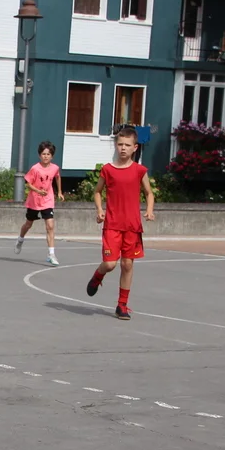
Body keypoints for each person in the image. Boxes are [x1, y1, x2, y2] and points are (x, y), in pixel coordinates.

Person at [85, 127, 155, 320]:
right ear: (116, 145)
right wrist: (99, 209)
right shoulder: (108, 170)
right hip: (112, 225)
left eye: (127, 145)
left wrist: (149, 210)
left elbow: (149, 193)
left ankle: (122, 305)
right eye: (120, 144)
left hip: (132, 226)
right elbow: (97, 191)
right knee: (110, 264)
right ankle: (97, 276)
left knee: (127, 264)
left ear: (135, 147)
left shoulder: (139, 170)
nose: (123, 148)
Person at [14, 141, 63, 266]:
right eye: (43, 154)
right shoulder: (35, 168)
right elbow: (28, 183)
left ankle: (51, 254)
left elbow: (57, 177)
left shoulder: (55, 168)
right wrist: (38, 191)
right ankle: (20, 239)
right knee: (28, 224)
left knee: (50, 226)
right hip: (35, 201)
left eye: (48, 154)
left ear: (52, 156)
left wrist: (59, 192)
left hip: (48, 200)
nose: (46, 156)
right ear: (39, 155)